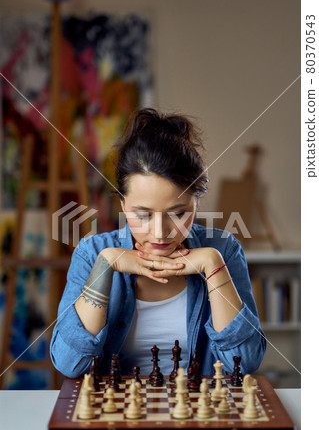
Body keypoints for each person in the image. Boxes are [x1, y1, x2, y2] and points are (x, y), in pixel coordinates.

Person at [50, 108, 266, 378]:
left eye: (178, 213)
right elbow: (70, 365)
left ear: (197, 203)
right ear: (123, 204)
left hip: (197, 414)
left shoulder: (223, 251)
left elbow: (244, 363)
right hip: (120, 414)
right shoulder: (92, 254)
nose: (160, 233)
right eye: (142, 215)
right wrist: (105, 267)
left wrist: (213, 264)